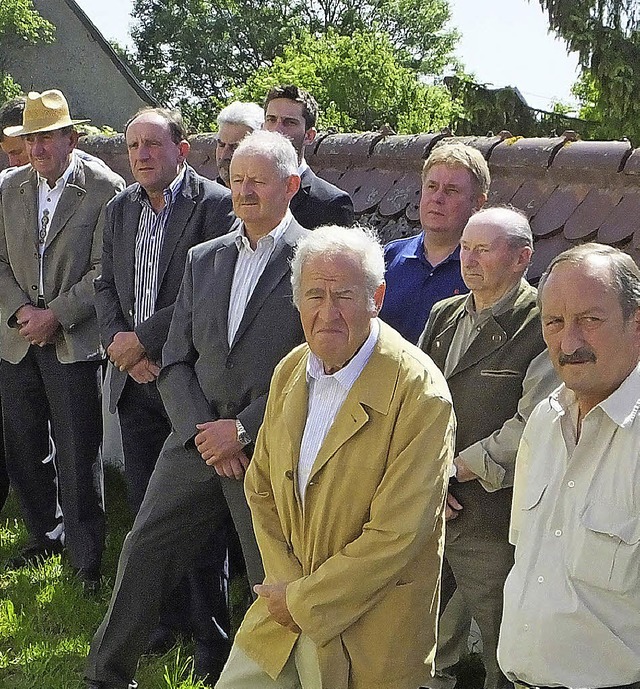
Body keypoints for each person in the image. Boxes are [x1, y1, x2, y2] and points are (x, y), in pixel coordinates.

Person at [85, 130, 309, 689]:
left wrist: (243, 430)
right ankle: (105, 675)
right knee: (143, 549)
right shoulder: (205, 259)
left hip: (269, 448)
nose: (244, 191)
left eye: (258, 181)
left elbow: (317, 367)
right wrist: (201, 431)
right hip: (195, 442)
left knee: (270, 579)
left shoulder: (316, 262)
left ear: (292, 185)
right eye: (236, 180)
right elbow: (177, 356)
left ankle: (282, 680)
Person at [216, 224, 455, 689]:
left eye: (344, 296)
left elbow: (397, 536)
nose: (328, 313)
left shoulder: (419, 395)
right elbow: (260, 484)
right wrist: (288, 588)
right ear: (297, 301)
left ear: (377, 297)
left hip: (369, 627)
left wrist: (304, 600)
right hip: (282, 617)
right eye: (314, 295)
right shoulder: (291, 369)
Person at [419, 207, 558, 689]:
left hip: (498, 515)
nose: (469, 259)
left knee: (507, 642)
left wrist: (455, 470)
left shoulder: (543, 322)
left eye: (484, 248)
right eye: (465, 247)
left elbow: (535, 423)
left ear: (522, 258)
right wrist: (427, 477)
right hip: (437, 506)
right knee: (429, 636)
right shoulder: (443, 315)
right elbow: (415, 405)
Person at [498, 243, 640, 689]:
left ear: (637, 324)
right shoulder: (543, 422)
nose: (569, 342)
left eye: (590, 320)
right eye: (555, 322)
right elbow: (527, 557)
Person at [0, 89, 124, 592]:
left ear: (72, 137)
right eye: (30, 138)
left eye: (48, 136)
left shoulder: (103, 188)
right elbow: (0, 262)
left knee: (77, 452)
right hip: (17, 339)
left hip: (73, 340)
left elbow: (104, 270)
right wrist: (21, 312)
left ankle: (85, 555)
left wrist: (56, 315)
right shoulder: (9, 188)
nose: (37, 148)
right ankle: (42, 534)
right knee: (24, 447)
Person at [380, 142, 490, 344]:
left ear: (478, 203)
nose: (437, 198)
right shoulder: (390, 256)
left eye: (451, 191)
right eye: (432, 187)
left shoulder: (484, 269)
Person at [263, 84, 354, 229]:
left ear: (309, 136)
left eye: (289, 122)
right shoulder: (243, 191)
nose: (277, 130)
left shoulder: (330, 204)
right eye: (271, 120)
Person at [215, 101, 264, 187]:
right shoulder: (204, 198)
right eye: (222, 145)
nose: (224, 155)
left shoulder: (277, 197)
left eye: (235, 147)